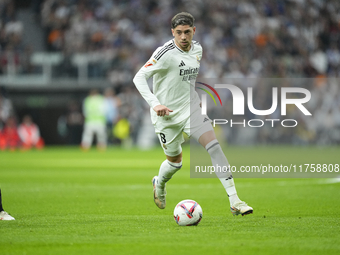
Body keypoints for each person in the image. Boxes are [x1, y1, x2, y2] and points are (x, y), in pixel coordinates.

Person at [133, 12, 253, 216]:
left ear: (193, 31)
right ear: (172, 32)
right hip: (166, 116)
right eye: (178, 33)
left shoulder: (198, 49)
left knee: (214, 147)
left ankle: (235, 200)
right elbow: (139, 77)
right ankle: (159, 182)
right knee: (175, 163)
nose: (183, 37)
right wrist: (155, 103)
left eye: (187, 32)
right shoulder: (165, 53)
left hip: (191, 110)